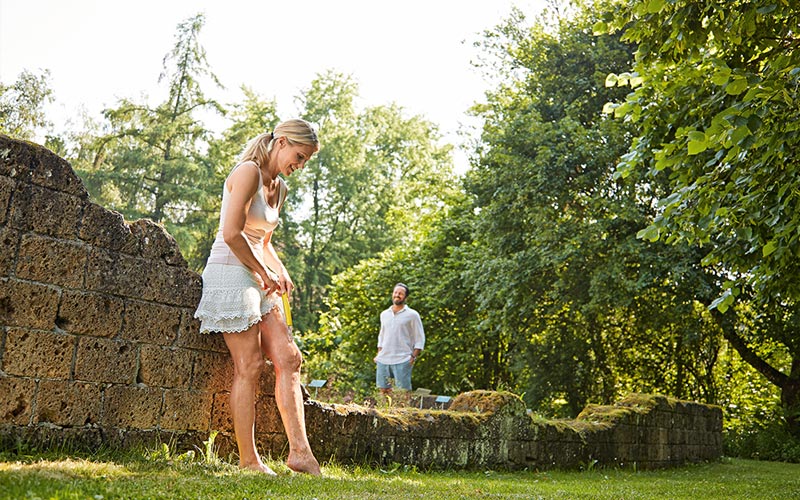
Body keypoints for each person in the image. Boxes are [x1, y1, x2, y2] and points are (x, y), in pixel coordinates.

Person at [194, 119, 321, 476]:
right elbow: (232, 233)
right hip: (230, 271)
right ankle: (249, 461)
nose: (300, 165)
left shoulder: (280, 188)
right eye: (299, 156)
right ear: (281, 143)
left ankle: (300, 454)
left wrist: (279, 268)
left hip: (257, 271)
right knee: (249, 365)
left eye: (306, 160)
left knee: (289, 358)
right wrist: (264, 272)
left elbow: (263, 240)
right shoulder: (248, 171)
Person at [373, 283, 425, 393]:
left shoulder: (412, 315)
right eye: (395, 292)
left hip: (403, 359)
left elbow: (420, 338)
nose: (397, 295)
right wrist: (379, 354)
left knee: (403, 392)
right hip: (383, 359)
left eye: (400, 293)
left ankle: (403, 406)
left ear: (405, 297)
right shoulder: (384, 314)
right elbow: (381, 336)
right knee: (383, 391)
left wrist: (413, 357)